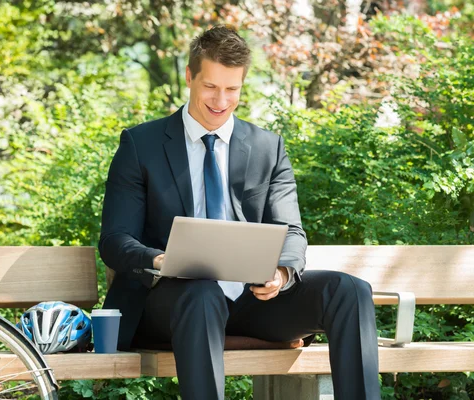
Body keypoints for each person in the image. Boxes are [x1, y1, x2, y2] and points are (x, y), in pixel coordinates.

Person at [99, 25, 380, 400]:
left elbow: (291, 231)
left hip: (252, 300)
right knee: (201, 295)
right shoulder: (141, 144)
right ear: (189, 76)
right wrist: (160, 259)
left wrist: (281, 272)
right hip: (173, 302)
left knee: (349, 290)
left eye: (232, 89)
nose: (221, 100)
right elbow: (115, 240)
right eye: (211, 87)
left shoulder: (268, 147)